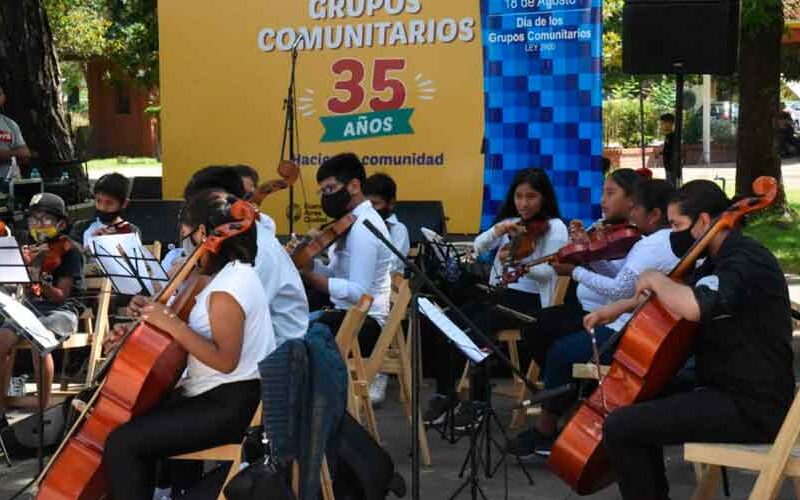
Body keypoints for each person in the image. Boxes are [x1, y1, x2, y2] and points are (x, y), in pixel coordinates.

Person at [583, 180, 794, 500]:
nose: (674, 236)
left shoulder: (746, 259)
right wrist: (620, 307)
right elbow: (677, 292)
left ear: (706, 221)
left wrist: (654, 277)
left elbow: (698, 304)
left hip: (753, 404)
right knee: (634, 405)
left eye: (677, 226)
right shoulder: (714, 259)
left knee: (624, 426)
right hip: (721, 387)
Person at [104, 190, 272, 500]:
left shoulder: (228, 289)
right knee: (125, 418)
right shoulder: (223, 276)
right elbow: (182, 323)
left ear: (207, 234)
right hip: (213, 395)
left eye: (188, 235)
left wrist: (169, 323)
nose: (188, 245)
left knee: (123, 443)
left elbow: (225, 360)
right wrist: (151, 313)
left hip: (229, 406)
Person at [507, 177, 679, 458]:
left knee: (561, 352)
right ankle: (567, 408)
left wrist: (574, 271)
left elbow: (619, 289)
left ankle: (547, 428)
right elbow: (620, 278)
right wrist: (587, 256)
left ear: (655, 214)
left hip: (629, 330)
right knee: (551, 337)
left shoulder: (652, 246)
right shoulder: (650, 241)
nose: (632, 215)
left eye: (635, 208)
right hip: (626, 323)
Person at [423, 168, 567, 427]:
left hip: (530, 303)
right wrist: (498, 230)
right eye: (519, 196)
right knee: (448, 321)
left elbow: (549, 273)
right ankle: (445, 394)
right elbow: (477, 248)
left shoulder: (554, 227)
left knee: (478, 328)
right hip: (500, 295)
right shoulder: (513, 224)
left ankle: (479, 403)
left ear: (544, 198)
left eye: (531, 197)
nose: (523, 203)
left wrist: (517, 261)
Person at [132, 165, 309, 348]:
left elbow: (221, 326)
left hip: (277, 354)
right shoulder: (228, 244)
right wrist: (156, 308)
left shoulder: (255, 251)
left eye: (196, 211)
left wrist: (166, 319)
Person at [300, 153, 392, 404]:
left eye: (331, 188)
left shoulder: (364, 227)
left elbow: (359, 292)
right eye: (323, 191)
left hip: (364, 324)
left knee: (289, 336)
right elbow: (338, 275)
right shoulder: (350, 223)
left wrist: (309, 277)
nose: (327, 196)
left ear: (353, 186)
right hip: (348, 315)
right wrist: (312, 266)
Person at [0, 193, 83, 424]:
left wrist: (37, 279)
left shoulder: (70, 251)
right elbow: (24, 293)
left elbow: (60, 296)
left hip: (61, 311)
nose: (37, 225)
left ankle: (42, 407)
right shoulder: (32, 249)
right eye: (33, 219)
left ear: (61, 224)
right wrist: (19, 272)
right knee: (2, 339)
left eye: (45, 219)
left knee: (39, 341)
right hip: (30, 309)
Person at [70, 172, 141, 255]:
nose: (102, 207)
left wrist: (113, 243)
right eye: (98, 201)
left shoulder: (131, 231)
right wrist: (91, 246)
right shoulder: (81, 228)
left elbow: (134, 261)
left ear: (124, 204)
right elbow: (74, 260)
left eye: (109, 203)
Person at [364, 173, 410, 275]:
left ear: (391, 203)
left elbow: (391, 266)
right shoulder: (361, 226)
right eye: (367, 204)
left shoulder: (399, 229)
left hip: (388, 287)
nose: (369, 209)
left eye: (375, 203)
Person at [0, 84, 31, 180]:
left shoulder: (10, 124)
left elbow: (26, 155)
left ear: (3, 98)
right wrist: (14, 155)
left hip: (9, 185)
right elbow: (20, 153)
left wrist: (4, 155)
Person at [659, 113, 679, 187]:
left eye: (663, 123)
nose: (662, 125)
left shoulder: (672, 136)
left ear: (670, 123)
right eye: (662, 123)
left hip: (672, 165)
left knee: (672, 184)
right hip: (668, 165)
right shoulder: (668, 136)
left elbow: (673, 151)